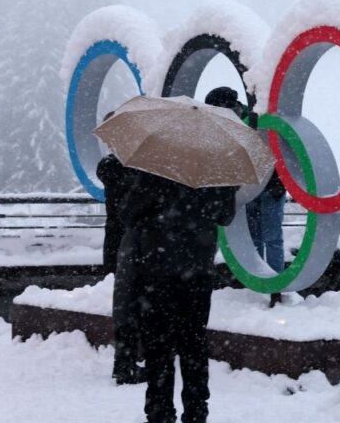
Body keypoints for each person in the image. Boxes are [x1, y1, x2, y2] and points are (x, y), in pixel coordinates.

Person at [119, 167, 238, 423]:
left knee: (158, 346)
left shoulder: (156, 168)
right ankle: (196, 411)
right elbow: (226, 216)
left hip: (156, 271)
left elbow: (127, 214)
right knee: (193, 344)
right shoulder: (216, 171)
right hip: (197, 272)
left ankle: (160, 411)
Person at [205, 87, 286, 306]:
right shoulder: (231, 124)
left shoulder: (254, 119)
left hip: (268, 187)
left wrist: (278, 182)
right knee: (256, 238)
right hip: (248, 189)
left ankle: (274, 284)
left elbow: (275, 150)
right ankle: (257, 281)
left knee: (271, 237)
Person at [97, 142, 144, 385]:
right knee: (134, 306)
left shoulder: (108, 166)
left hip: (117, 246)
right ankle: (128, 363)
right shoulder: (135, 172)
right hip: (134, 247)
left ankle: (124, 361)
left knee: (124, 307)